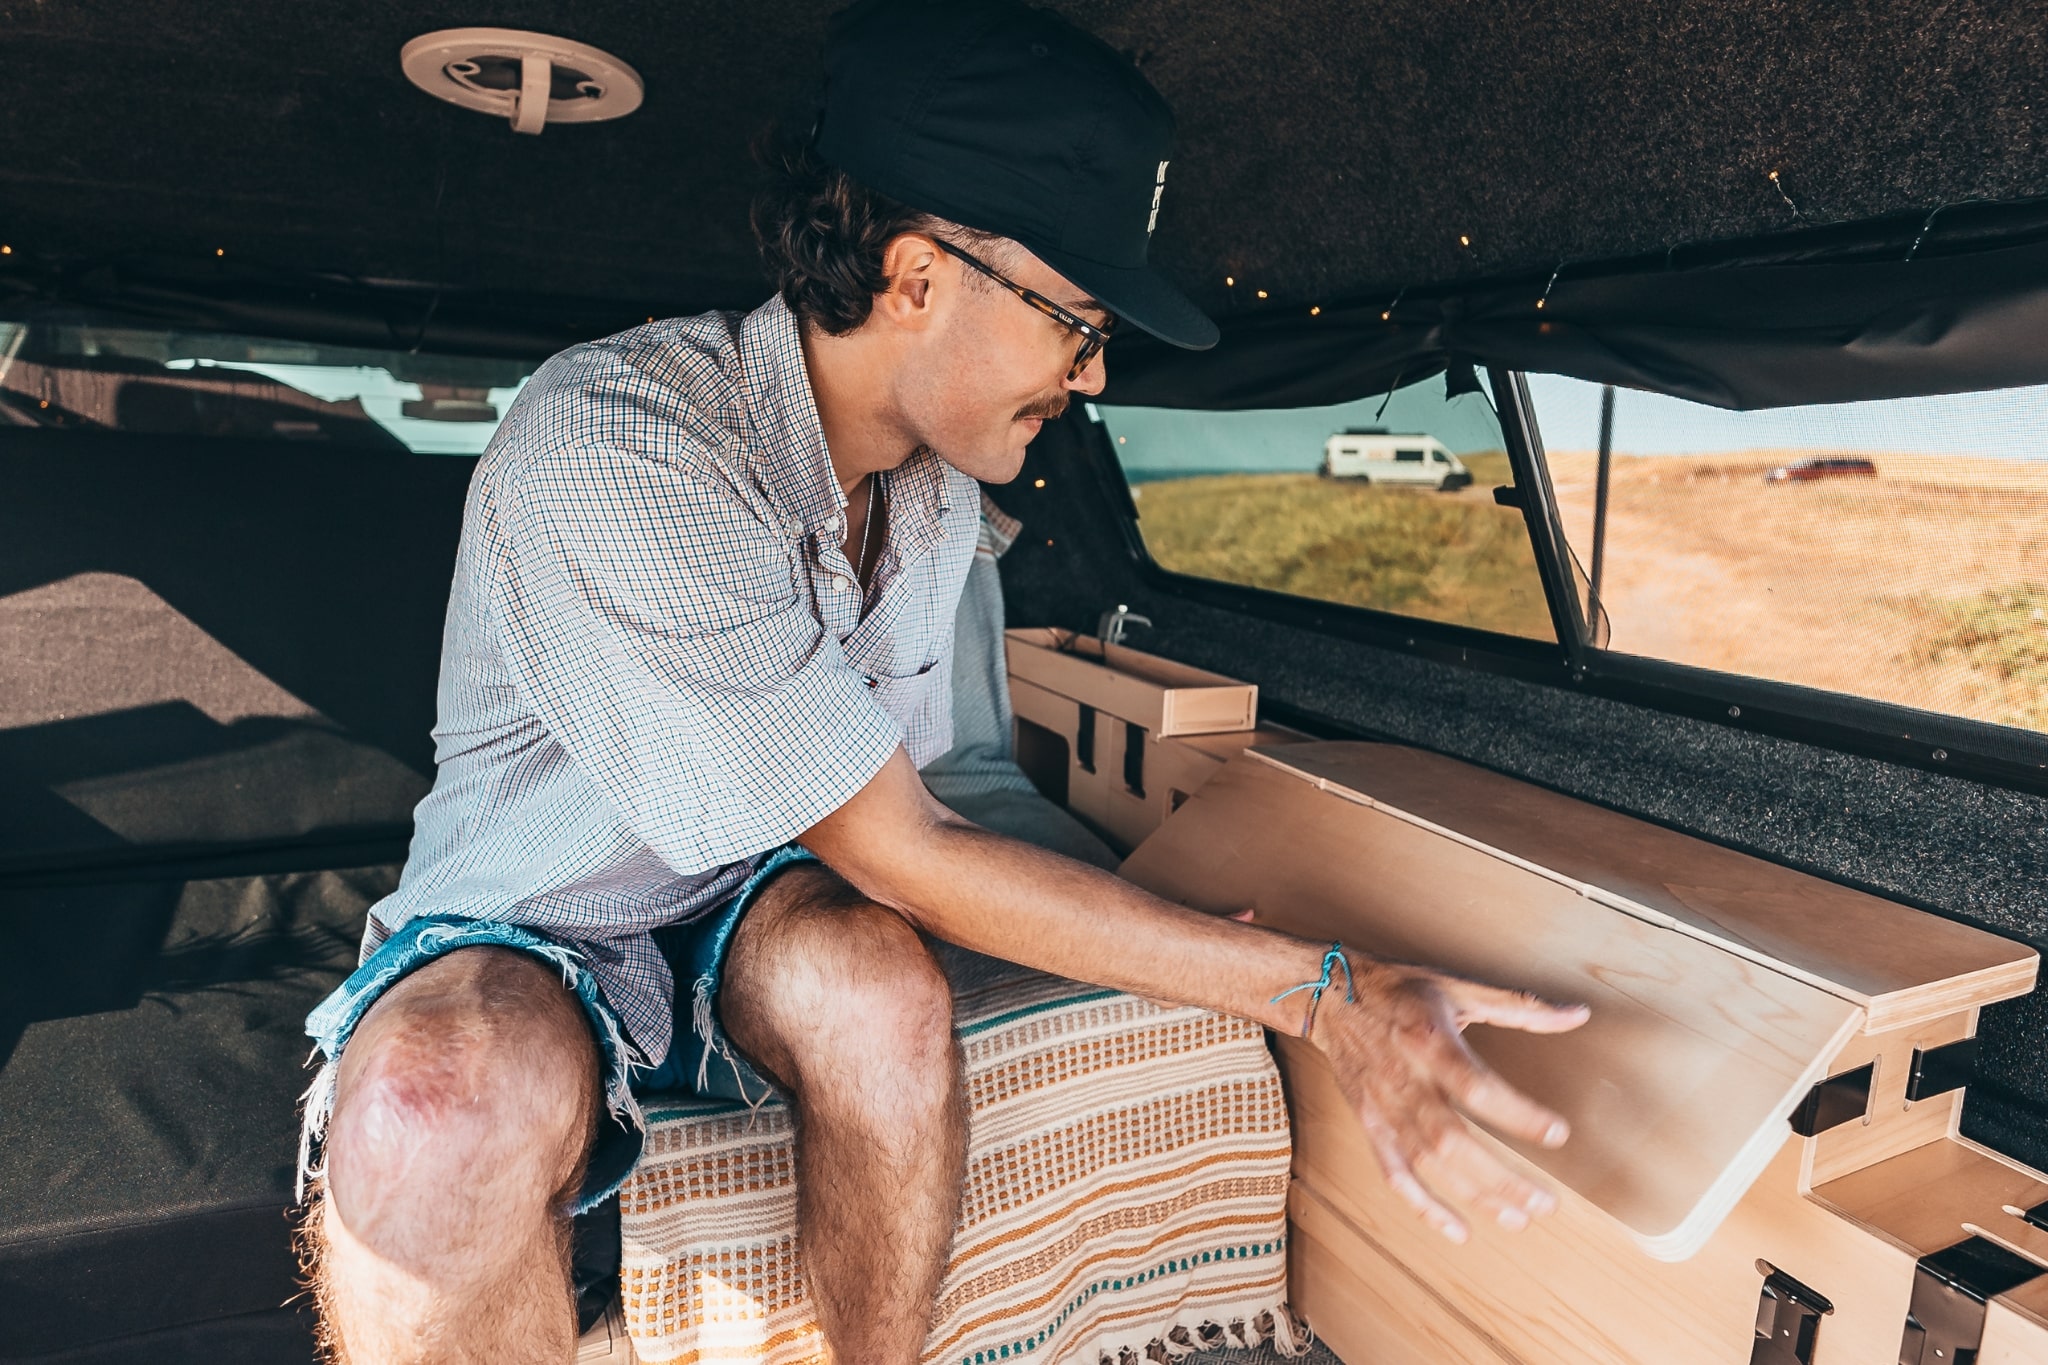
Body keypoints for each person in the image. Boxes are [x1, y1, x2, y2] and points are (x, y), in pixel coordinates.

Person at [297, 1, 1590, 1361]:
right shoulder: (622, 447)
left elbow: (898, 837)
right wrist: (1319, 987)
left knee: (885, 992)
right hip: (539, 917)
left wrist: (1138, 923)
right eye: (1076, 320)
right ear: (915, 278)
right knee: (437, 1105)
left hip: (744, 887)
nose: (1092, 372)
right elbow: (910, 851)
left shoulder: (933, 501)